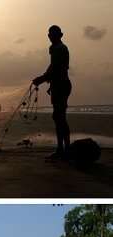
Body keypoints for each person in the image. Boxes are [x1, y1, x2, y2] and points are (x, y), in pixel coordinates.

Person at [33, 25, 71, 159]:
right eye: (49, 34)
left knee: (59, 117)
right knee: (58, 117)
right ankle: (63, 149)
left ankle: (64, 150)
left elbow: (56, 69)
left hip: (61, 86)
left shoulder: (59, 49)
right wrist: (45, 78)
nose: (50, 36)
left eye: (52, 34)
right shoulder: (55, 49)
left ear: (59, 36)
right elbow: (52, 67)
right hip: (58, 85)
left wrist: (42, 79)